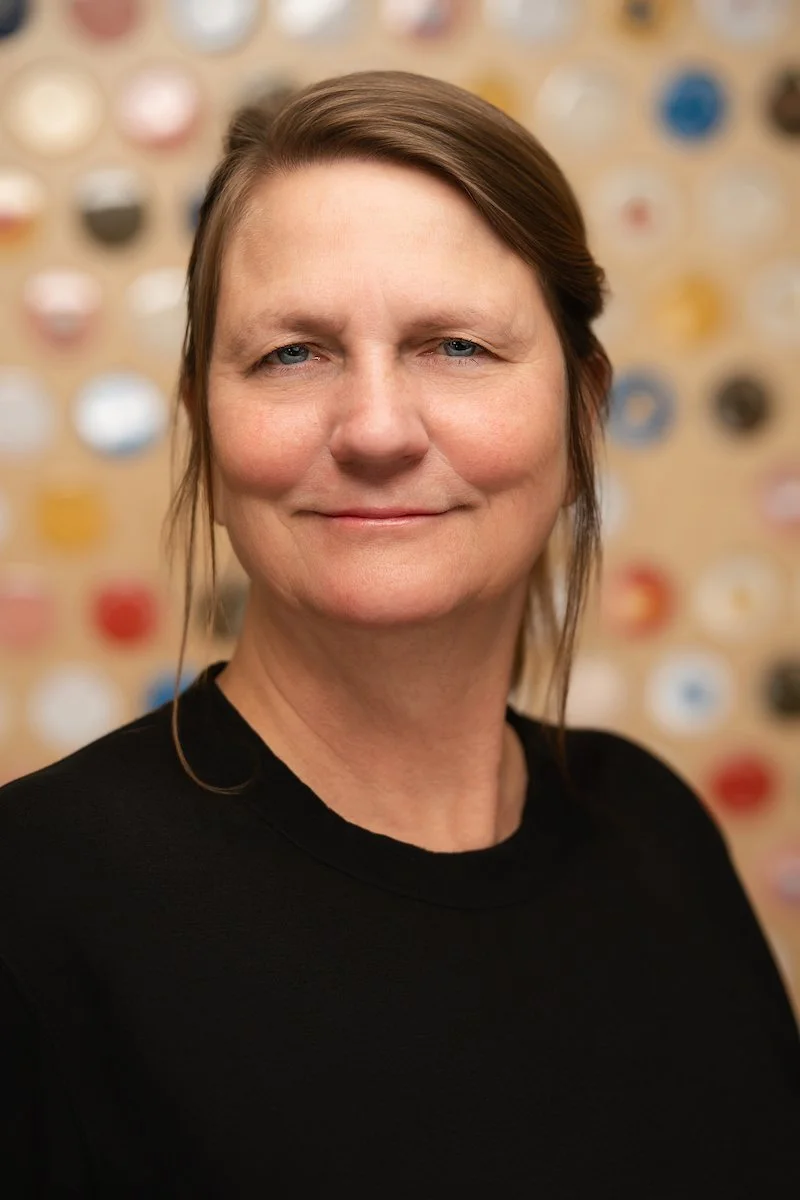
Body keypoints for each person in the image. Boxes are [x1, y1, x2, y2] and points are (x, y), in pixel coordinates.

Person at [1, 69, 798, 1198]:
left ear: (582, 411)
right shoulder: (33, 902)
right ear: (205, 439)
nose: (375, 429)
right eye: (292, 353)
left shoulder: (656, 835)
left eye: (454, 345)